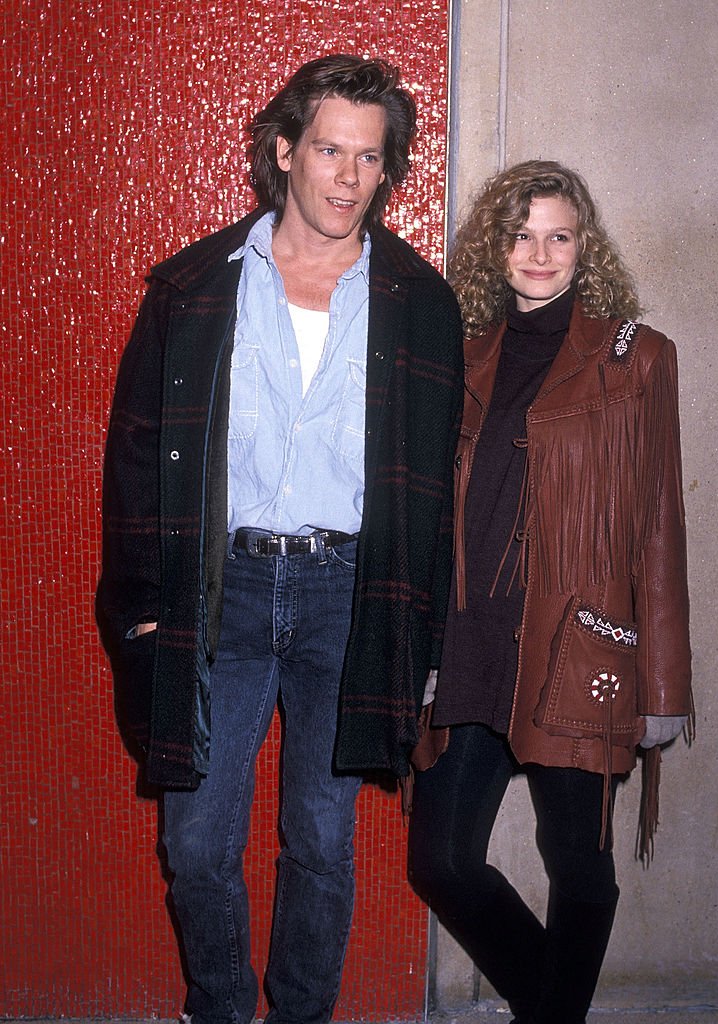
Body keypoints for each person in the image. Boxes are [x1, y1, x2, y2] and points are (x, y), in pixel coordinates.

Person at [96, 55, 462, 1024]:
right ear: (285, 151)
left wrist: (422, 640)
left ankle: (301, 1014)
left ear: (386, 172)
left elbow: (434, 496)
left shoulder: (419, 307)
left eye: (369, 158)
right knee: (198, 841)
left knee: (320, 837)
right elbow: (135, 462)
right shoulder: (193, 291)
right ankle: (219, 1006)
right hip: (223, 588)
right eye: (330, 150)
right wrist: (137, 613)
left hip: (351, 594)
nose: (347, 176)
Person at [407, 160, 692, 1024]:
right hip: (471, 642)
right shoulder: (459, 355)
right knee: (442, 860)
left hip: (579, 644)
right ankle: (554, 1009)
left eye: (557, 235)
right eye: (519, 234)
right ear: (494, 249)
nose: (538, 253)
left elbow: (657, 523)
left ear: (583, 246)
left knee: (578, 862)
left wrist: (666, 687)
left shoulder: (634, 357)